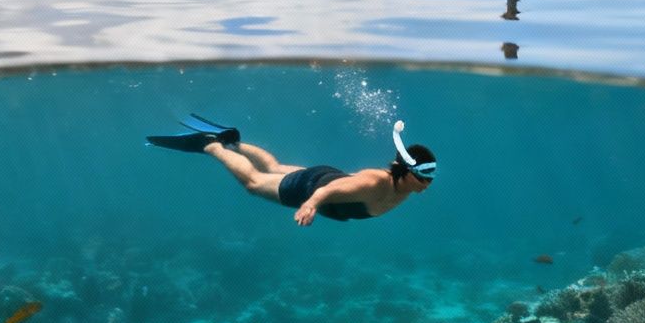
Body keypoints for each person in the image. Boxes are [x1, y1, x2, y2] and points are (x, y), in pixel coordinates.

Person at [147, 115, 435, 225]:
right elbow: (330, 190)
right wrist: (309, 204)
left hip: (324, 175)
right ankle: (211, 145)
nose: (426, 184)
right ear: (407, 171)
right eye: (422, 177)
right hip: (313, 186)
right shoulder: (376, 182)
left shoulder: (405, 189)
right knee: (254, 182)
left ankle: (232, 140)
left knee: (273, 166)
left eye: (430, 179)